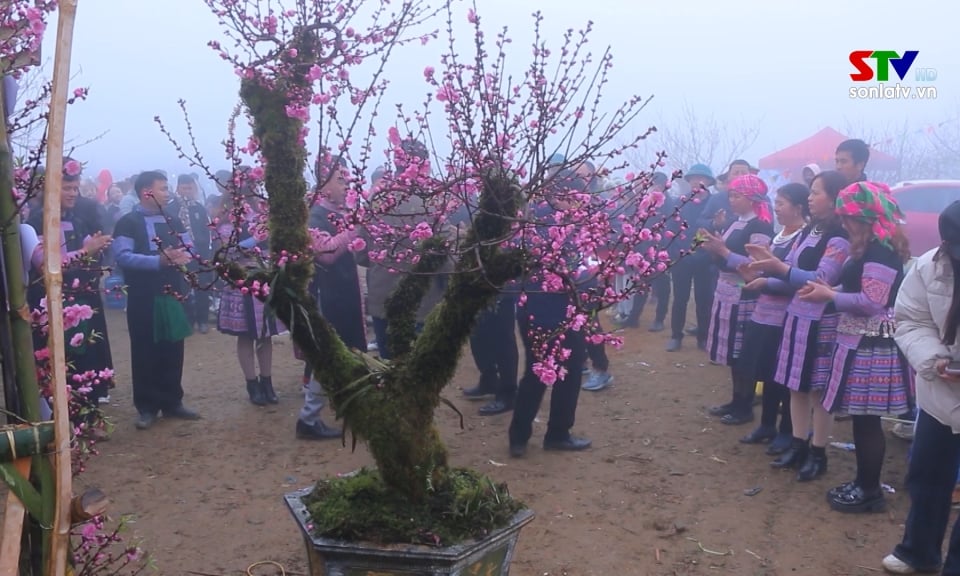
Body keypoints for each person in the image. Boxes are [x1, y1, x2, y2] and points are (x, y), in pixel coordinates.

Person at [803, 181, 912, 513]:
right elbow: (860, 288)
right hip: (860, 341)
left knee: (867, 421)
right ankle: (865, 483)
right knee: (863, 421)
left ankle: (869, 491)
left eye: (848, 217)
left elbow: (872, 301)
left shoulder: (881, 251)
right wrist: (830, 286)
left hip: (872, 347)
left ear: (863, 217)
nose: (844, 223)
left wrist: (830, 295)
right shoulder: (869, 248)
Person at [749, 170, 850, 478]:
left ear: (835, 199)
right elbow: (789, 274)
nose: (810, 197)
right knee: (795, 386)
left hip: (822, 322)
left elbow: (822, 279)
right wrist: (767, 276)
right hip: (796, 316)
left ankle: (818, 452)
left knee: (817, 391)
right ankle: (798, 443)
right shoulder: (810, 232)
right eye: (810, 191)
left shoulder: (840, 237)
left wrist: (778, 268)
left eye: (816, 192)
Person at [882, 200, 960, 574]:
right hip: (940, 392)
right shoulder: (929, 266)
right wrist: (935, 359)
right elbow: (910, 319)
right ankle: (918, 551)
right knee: (926, 476)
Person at [509, 170, 592, 457]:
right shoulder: (549, 225)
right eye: (577, 199)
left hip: (542, 309)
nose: (580, 205)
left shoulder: (536, 220)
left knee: (542, 373)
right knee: (555, 372)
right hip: (549, 309)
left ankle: (522, 438)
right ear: (561, 196)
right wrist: (589, 275)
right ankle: (553, 434)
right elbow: (568, 269)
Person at [113, 171, 200, 430]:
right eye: (162, 188)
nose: (167, 192)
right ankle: (147, 406)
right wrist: (158, 261)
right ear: (145, 192)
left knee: (173, 347)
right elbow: (123, 256)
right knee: (144, 349)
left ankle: (173, 401)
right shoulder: (127, 222)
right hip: (143, 297)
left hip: (172, 293)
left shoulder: (173, 220)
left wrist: (183, 256)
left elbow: (191, 248)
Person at [28, 158, 116, 405]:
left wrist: (98, 246)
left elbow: (88, 247)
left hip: (82, 300)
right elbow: (46, 265)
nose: (73, 193)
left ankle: (89, 414)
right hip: (51, 303)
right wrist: (86, 251)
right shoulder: (34, 222)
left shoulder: (76, 220)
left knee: (87, 357)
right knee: (59, 361)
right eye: (66, 188)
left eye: (75, 188)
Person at [733, 183, 809, 445]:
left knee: (782, 376)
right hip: (763, 313)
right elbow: (770, 273)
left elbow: (795, 280)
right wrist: (752, 276)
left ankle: (788, 430)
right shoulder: (779, 236)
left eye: (782, 203)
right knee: (764, 372)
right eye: (775, 202)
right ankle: (766, 425)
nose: (775, 207)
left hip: (784, 317)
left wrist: (765, 283)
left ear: (799, 207)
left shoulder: (803, 239)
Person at [297, 156, 365, 440]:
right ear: (323, 183)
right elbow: (324, 254)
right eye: (339, 178)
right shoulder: (315, 216)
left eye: (347, 177)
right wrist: (353, 232)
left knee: (352, 350)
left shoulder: (343, 211)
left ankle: (352, 407)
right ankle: (308, 418)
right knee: (327, 356)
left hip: (346, 292)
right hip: (328, 296)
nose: (345, 183)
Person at [698, 174, 775, 423]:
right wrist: (714, 248)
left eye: (737, 196)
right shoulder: (736, 221)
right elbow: (725, 254)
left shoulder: (760, 226)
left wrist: (723, 251)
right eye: (731, 195)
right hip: (727, 291)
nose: (732, 200)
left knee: (743, 352)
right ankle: (736, 400)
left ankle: (744, 406)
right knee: (733, 352)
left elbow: (757, 266)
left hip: (745, 295)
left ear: (753, 198)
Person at [216, 186, 281, 406]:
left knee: (265, 334)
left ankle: (267, 381)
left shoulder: (263, 215)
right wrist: (254, 239)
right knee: (245, 335)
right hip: (240, 281)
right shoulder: (226, 220)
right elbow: (226, 252)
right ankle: (251, 383)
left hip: (263, 278)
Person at [666, 163, 714, 351]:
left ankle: (703, 336)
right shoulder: (681, 202)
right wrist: (677, 253)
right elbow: (671, 230)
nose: (697, 182)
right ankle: (676, 335)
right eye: (694, 178)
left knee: (704, 299)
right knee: (680, 298)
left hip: (706, 258)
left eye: (701, 178)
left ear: (709, 182)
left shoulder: (714, 203)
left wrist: (705, 251)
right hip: (682, 258)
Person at [169, 174, 213, 334]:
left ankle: (202, 319)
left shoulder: (199, 208)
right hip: (179, 254)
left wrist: (205, 252)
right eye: (184, 188)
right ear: (178, 188)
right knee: (183, 288)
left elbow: (206, 231)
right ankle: (187, 320)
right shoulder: (170, 208)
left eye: (190, 188)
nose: (187, 191)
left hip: (199, 254)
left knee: (202, 286)